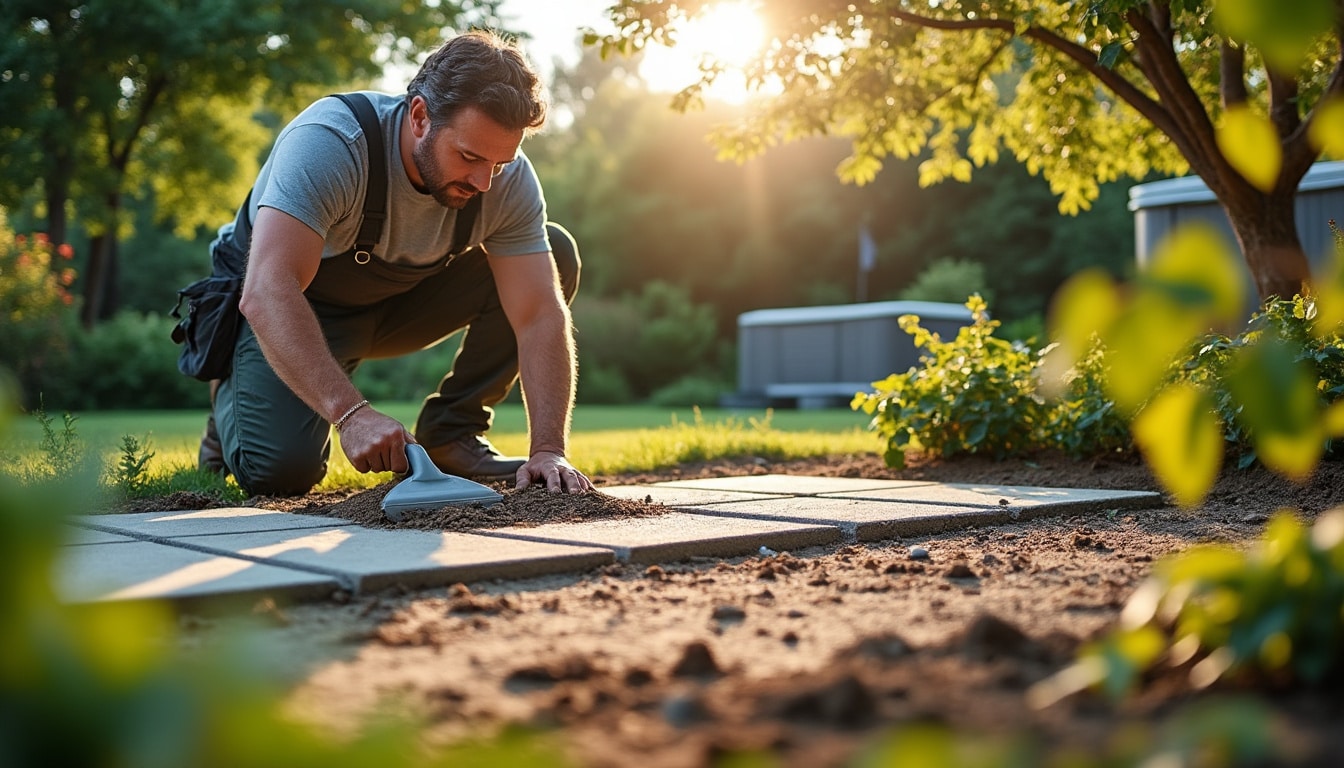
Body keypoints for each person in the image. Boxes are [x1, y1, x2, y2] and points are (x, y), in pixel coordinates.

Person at [198, 30, 593, 497]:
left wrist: (549, 448)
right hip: (292, 305)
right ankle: (231, 409)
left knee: (554, 253)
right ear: (421, 116)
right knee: (280, 474)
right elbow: (267, 289)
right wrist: (352, 414)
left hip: (401, 302)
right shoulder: (332, 143)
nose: (485, 182)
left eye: (499, 163)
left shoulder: (505, 181)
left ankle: (452, 433)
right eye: (469, 156)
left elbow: (538, 315)